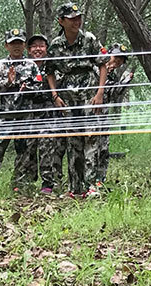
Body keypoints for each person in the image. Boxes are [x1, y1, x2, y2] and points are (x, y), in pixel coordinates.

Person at [46, 2, 108, 198]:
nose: (77, 21)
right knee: (73, 140)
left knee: (91, 136)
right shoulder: (56, 44)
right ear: (61, 21)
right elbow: (49, 71)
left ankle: (91, 185)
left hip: (88, 90)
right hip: (68, 95)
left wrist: (99, 93)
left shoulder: (89, 39)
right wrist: (55, 95)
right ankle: (75, 188)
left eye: (78, 18)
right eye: (72, 19)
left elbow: (103, 65)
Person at [0, 29, 41, 192]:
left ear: (24, 45)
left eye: (19, 43)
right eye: (13, 43)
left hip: (25, 115)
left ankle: (20, 184)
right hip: (5, 114)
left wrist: (27, 88)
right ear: (6, 45)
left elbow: (39, 87)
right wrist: (7, 82)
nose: (16, 46)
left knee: (24, 150)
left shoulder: (31, 65)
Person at [25, 34, 67, 194]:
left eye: (41, 46)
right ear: (29, 50)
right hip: (29, 114)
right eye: (34, 46)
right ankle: (27, 182)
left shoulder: (54, 68)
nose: (38, 49)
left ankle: (49, 183)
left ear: (46, 49)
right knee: (28, 148)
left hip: (50, 114)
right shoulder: (24, 67)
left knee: (49, 147)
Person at [93, 43, 134, 185]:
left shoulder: (114, 75)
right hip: (88, 113)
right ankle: (87, 180)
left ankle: (100, 180)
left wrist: (125, 82)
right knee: (88, 148)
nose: (117, 61)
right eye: (116, 57)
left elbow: (113, 95)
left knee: (103, 148)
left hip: (102, 115)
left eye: (121, 59)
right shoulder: (94, 67)